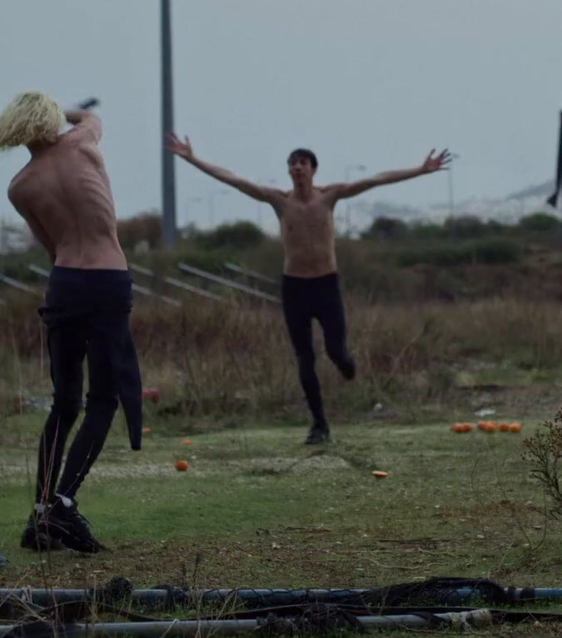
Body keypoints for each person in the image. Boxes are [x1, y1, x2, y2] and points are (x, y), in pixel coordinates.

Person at [166, 134, 452, 444]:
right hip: (295, 289)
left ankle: (347, 365)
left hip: (326, 285)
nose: (297, 168)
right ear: (289, 171)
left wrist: (420, 170)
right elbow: (235, 180)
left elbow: (377, 180)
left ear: (313, 169)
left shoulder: (330, 197)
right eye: (292, 164)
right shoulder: (279, 200)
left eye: (303, 163)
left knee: (336, 351)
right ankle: (319, 425)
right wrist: (192, 158)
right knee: (305, 357)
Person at [0, 91, 140, 555]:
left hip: (65, 283)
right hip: (108, 279)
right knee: (103, 400)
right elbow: (91, 114)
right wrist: (60, 107)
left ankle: (41, 511)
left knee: (64, 403)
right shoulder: (83, 141)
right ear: (51, 120)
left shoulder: (21, 186)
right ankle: (63, 504)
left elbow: (51, 247)